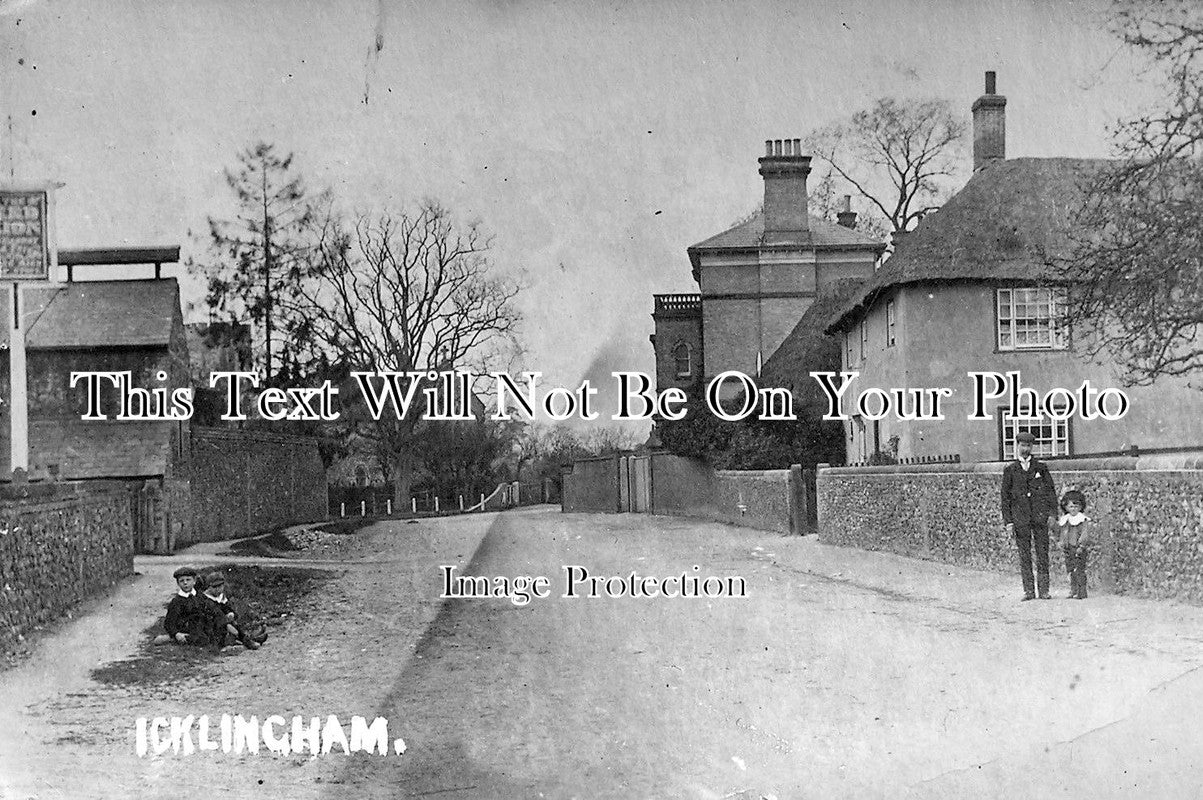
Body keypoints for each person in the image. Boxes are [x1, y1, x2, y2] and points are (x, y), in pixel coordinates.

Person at [1001, 431, 1058, 601]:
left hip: (1040, 517)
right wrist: (1009, 522)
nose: (1025, 449)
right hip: (1020, 519)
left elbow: (1051, 493)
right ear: (1017, 446)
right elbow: (1005, 498)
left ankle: (1044, 590)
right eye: (1022, 445)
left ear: (1032, 447)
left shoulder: (1041, 468)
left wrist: (1052, 514)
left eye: (1028, 446)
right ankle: (1029, 591)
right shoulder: (1010, 470)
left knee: (1042, 553)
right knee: (1024, 555)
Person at [154, 566, 224, 646]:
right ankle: (170, 639)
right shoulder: (177, 601)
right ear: (178, 583)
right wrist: (176, 633)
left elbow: (214, 611)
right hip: (186, 631)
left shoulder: (201, 597)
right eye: (181, 581)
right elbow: (169, 622)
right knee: (194, 640)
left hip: (202, 629)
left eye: (188, 580)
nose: (185, 583)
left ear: (194, 581)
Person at [201, 571, 264, 650]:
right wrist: (226, 624)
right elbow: (216, 614)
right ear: (208, 587)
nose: (218, 590)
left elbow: (228, 608)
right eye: (214, 587)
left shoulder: (221, 597)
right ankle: (246, 640)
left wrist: (231, 614)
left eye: (220, 586)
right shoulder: (206, 600)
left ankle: (250, 639)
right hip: (213, 625)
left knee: (235, 622)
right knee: (232, 625)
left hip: (223, 622)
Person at [1057, 489, 1091, 599]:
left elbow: (1084, 534)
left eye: (1076, 507)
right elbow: (1063, 533)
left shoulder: (1082, 519)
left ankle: (1081, 591)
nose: (1074, 509)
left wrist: (1081, 546)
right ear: (1066, 507)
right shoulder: (1066, 520)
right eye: (1071, 506)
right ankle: (1073, 589)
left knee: (1079, 570)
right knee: (1070, 570)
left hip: (1078, 548)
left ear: (1081, 507)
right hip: (1069, 548)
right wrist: (1062, 542)